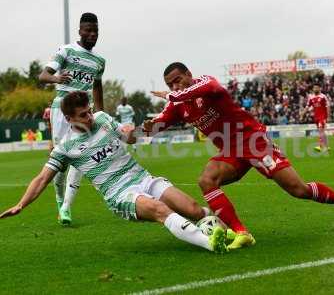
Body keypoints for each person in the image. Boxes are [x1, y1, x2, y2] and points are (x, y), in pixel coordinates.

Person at [145, 62, 334, 250]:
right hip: (230, 151)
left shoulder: (206, 83)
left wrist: (171, 94)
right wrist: (150, 126)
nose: (174, 86)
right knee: (207, 180)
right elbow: (160, 123)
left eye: (177, 80)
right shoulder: (178, 104)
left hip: (254, 142)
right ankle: (241, 232)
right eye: (170, 84)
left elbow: (201, 88)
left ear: (188, 75)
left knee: (298, 190)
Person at [0, 91, 227, 254]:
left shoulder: (102, 119)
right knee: (160, 210)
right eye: (82, 115)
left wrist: (138, 131)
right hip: (119, 194)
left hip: (143, 178)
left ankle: (232, 233)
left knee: (193, 208)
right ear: (69, 119)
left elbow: (129, 138)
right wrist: (22, 204)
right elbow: (42, 179)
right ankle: (210, 243)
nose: (89, 117)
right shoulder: (65, 148)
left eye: (89, 111)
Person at [39, 12, 105, 225]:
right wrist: (57, 78)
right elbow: (43, 75)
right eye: (88, 30)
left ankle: (66, 208)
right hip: (62, 110)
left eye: (95, 30)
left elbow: (97, 86)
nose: (92, 34)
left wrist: (100, 114)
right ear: (80, 31)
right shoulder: (66, 50)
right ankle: (60, 198)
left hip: (84, 112)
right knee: (62, 162)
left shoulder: (99, 61)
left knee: (81, 156)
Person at [307, 83, 330, 152]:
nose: (315, 89)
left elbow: (328, 106)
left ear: (319, 88)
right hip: (316, 117)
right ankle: (327, 147)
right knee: (322, 132)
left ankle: (320, 146)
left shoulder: (323, 96)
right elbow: (307, 106)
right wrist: (302, 113)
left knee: (320, 130)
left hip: (322, 117)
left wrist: (328, 116)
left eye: (317, 88)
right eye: (314, 88)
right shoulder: (311, 97)